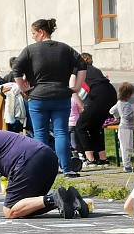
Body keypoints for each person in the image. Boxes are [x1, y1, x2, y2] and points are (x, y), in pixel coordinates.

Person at [0, 131, 89, 219]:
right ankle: (69, 198)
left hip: (28, 160)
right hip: (47, 157)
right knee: (25, 209)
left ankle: (54, 198)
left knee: (10, 210)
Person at [13, 18, 86, 178]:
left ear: (41, 32)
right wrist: (77, 87)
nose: (32, 36)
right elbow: (82, 64)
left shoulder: (30, 50)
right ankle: (66, 168)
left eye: (33, 33)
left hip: (38, 97)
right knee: (61, 133)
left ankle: (43, 169)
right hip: (61, 95)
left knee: (40, 134)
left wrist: (24, 87)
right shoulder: (65, 49)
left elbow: (16, 69)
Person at [74, 53, 116, 166]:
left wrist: (82, 107)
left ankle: (90, 159)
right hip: (111, 93)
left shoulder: (78, 70)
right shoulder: (95, 70)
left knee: (80, 127)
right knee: (95, 127)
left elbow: (74, 91)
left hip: (99, 95)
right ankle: (103, 159)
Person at [109, 82, 134, 172]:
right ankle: (127, 165)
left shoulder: (119, 103)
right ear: (128, 94)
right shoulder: (126, 105)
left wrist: (117, 117)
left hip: (124, 127)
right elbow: (127, 116)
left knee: (126, 146)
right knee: (127, 147)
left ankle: (127, 163)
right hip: (126, 128)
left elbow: (111, 111)